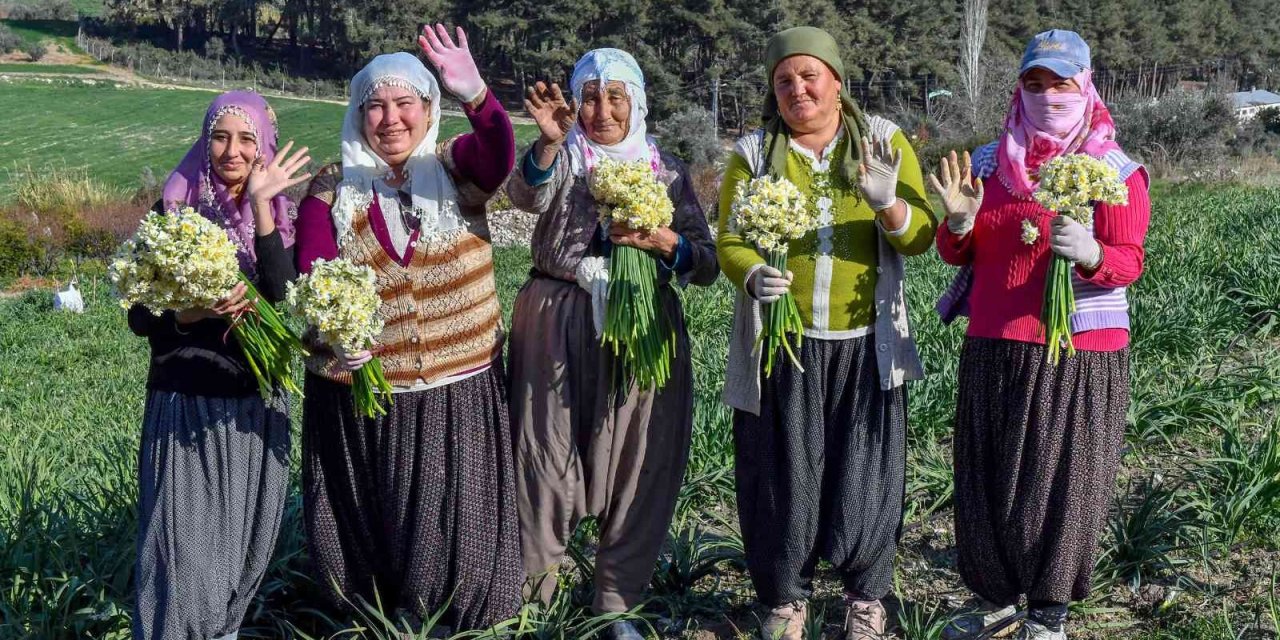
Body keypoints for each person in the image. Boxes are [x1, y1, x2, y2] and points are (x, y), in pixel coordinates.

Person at [291, 27, 522, 631]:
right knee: (381, 520)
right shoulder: (330, 188)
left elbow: (498, 154)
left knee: (456, 520)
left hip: (460, 388)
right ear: (358, 113)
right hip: (372, 393)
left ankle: (457, 618)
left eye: (405, 104)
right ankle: (378, 619)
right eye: (375, 106)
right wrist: (336, 339)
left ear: (428, 110)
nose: (390, 120)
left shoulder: (455, 169)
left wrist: (476, 94)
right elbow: (314, 272)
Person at [717, 26, 937, 640]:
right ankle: (786, 598)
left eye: (809, 75)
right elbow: (730, 238)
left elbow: (921, 236)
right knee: (782, 470)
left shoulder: (883, 143)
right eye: (783, 81)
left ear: (837, 82)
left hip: (866, 341)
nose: (797, 89)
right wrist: (754, 272)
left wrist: (890, 204)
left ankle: (866, 598)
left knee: (866, 468)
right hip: (784, 343)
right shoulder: (754, 155)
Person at [932, 29, 1151, 640]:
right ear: (1018, 89)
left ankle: (1048, 613)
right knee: (989, 477)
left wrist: (1092, 253)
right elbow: (960, 252)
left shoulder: (1113, 169)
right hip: (995, 340)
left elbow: (1128, 260)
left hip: (1079, 349)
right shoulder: (986, 162)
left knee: (1061, 485)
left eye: (1061, 84)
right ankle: (999, 603)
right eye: (1035, 83)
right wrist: (956, 223)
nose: (1048, 96)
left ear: (1085, 87)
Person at [505, 47, 719, 640]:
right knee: (542, 455)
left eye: (616, 97)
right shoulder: (564, 161)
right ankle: (533, 599)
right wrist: (547, 144)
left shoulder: (666, 170)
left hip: (643, 324)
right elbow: (524, 197)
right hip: (556, 320)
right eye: (591, 97)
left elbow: (703, 264)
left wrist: (663, 241)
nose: (602, 110)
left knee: (638, 458)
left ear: (637, 103)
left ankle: (615, 602)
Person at [129, 90, 310, 640]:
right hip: (187, 404)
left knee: (240, 557)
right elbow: (139, 315)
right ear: (205, 141)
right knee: (181, 558)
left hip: (255, 408)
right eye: (220, 137)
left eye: (246, 139)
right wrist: (187, 314)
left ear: (263, 148)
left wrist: (259, 206)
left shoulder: (281, 213)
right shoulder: (174, 211)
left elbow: (282, 294)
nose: (231, 151)